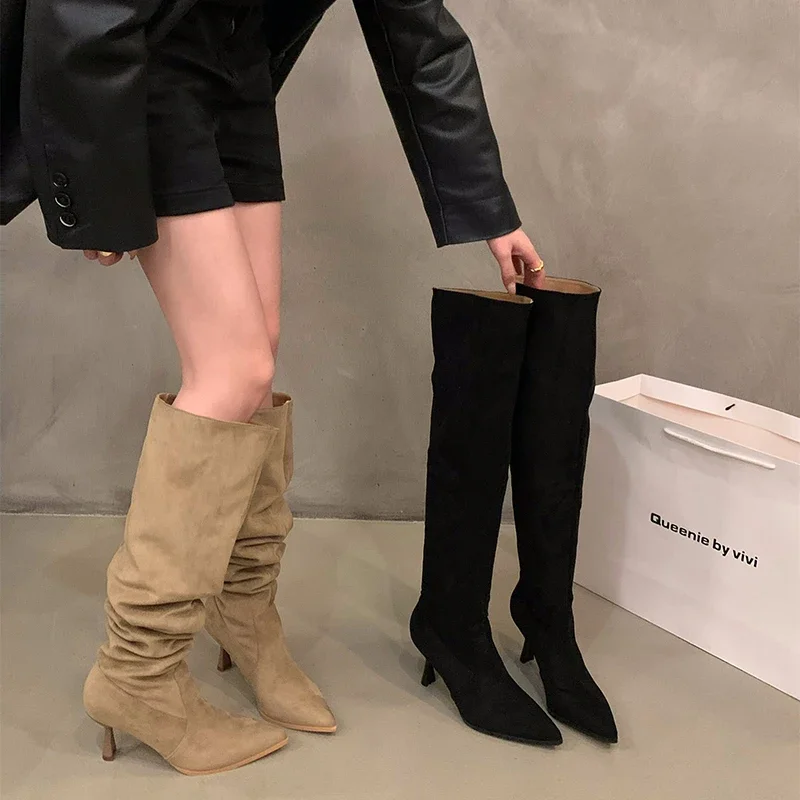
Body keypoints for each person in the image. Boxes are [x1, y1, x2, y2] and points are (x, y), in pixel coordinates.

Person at [1, 0, 549, 775]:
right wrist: (101, 186)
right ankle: (139, 671)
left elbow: (419, 34)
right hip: (143, 69)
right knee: (232, 372)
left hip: (239, 72)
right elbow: (81, 11)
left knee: (258, 355)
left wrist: (492, 212)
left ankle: (244, 608)